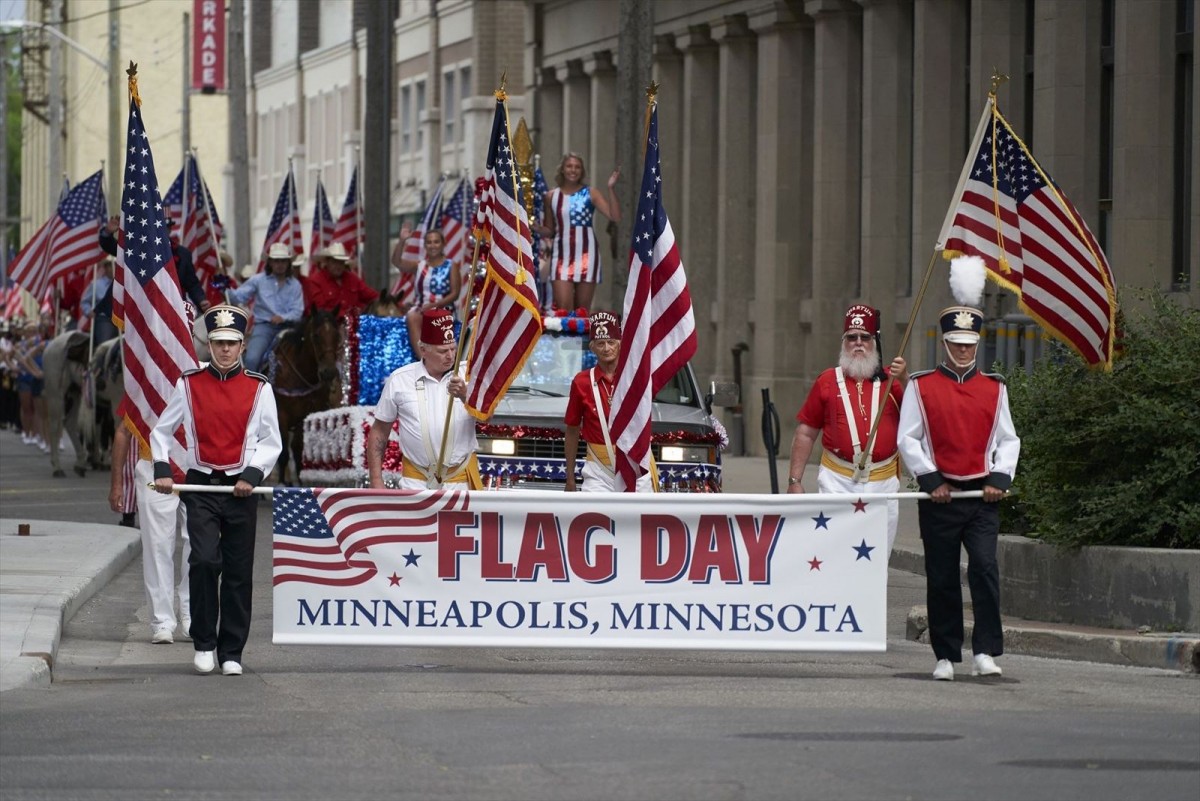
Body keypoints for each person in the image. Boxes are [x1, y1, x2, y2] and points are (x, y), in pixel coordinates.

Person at [151, 304, 282, 676]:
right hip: (201, 484)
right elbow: (161, 431)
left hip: (241, 488)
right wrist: (163, 469)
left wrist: (252, 476)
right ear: (208, 345)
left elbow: (271, 441)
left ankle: (232, 652)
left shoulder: (259, 387)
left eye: (232, 343)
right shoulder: (188, 383)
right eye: (219, 342)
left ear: (242, 346)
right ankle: (204, 641)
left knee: (240, 571)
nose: (225, 349)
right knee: (205, 560)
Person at [897, 301, 1020, 682]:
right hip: (940, 496)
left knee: (984, 570)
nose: (963, 350)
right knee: (942, 576)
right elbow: (909, 438)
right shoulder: (921, 386)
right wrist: (931, 479)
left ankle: (985, 651)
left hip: (981, 496)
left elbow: (1008, 439)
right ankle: (945, 656)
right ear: (945, 343)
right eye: (956, 343)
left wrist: (999, 478)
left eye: (969, 343)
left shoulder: (994, 388)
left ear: (977, 343)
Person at [787, 304, 907, 555]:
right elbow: (806, 432)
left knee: (878, 556)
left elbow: (919, 415)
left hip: (882, 482)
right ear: (843, 342)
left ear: (876, 342)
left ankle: (873, 596)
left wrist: (905, 379)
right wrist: (795, 481)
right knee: (834, 554)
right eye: (852, 337)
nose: (858, 343)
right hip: (837, 481)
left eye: (865, 337)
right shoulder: (827, 381)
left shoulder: (892, 382)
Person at [367, 309, 480, 490]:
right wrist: (376, 480)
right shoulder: (400, 379)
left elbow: (488, 417)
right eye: (442, 351)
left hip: (461, 483)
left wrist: (466, 396)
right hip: (416, 483)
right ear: (423, 350)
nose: (450, 356)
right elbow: (379, 431)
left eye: (453, 348)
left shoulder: (469, 375)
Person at [110, 424, 192, 644]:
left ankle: (193, 614)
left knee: (200, 544)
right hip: (154, 464)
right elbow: (123, 431)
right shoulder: (147, 386)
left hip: (197, 464)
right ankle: (162, 620)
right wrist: (117, 483)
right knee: (157, 546)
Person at [563, 311, 654, 492]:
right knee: (594, 517)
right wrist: (570, 477)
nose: (606, 348)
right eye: (600, 343)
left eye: (611, 342)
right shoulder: (581, 382)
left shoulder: (635, 377)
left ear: (620, 345)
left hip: (635, 466)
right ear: (592, 348)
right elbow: (572, 430)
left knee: (638, 518)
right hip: (598, 470)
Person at [538, 153, 621, 313]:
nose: (573, 170)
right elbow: (549, 230)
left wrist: (610, 188)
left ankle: (582, 339)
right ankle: (565, 339)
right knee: (563, 308)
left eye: (577, 167)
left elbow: (615, 216)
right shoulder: (550, 196)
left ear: (582, 171)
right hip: (561, 255)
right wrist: (535, 227)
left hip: (586, 255)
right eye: (569, 166)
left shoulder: (591, 193)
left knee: (582, 310)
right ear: (562, 169)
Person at [99, 215, 209, 313]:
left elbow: (192, 283)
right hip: (139, 308)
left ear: (170, 230)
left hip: (172, 308)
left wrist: (201, 300)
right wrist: (108, 233)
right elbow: (112, 247)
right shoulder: (138, 249)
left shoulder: (182, 254)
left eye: (165, 229)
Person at [227, 242, 305, 373]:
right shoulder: (258, 280)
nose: (280, 264)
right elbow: (238, 297)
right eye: (276, 261)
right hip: (264, 327)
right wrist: (225, 286)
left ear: (288, 263)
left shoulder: (295, 285)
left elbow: (298, 311)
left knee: (305, 358)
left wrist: (283, 318)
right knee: (252, 359)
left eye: (283, 261)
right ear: (270, 263)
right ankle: (250, 391)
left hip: (289, 328)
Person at [390, 230, 461, 348]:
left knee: (434, 320)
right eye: (429, 242)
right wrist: (402, 241)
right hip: (420, 310)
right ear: (425, 245)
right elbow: (397, 262)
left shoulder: (451, 265)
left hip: (443, 309)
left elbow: (455, 293)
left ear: (443, 244)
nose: (432, 245)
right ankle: (424, 359)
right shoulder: (419, 266)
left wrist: (435, 305)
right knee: (412, 316)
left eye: (436, 242)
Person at [304, 241, 379, 315]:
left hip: (353, 322)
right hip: (329, 324)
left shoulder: (352, 279)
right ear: (327, 262)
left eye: (341, 262)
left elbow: (372, 296)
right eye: (335, 262)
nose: (338, 266)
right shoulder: (316, 280)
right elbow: (320, 309)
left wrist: (384, 301)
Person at [80, 260, 118, 344]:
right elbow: (84, 302)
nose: (114, 268)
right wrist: (88, 311)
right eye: (111, 266)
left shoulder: (123, 284)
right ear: (105, 268)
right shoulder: (96, 285)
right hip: (105, 320)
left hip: (122, 320)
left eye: (116, 265)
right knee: (104, 346)